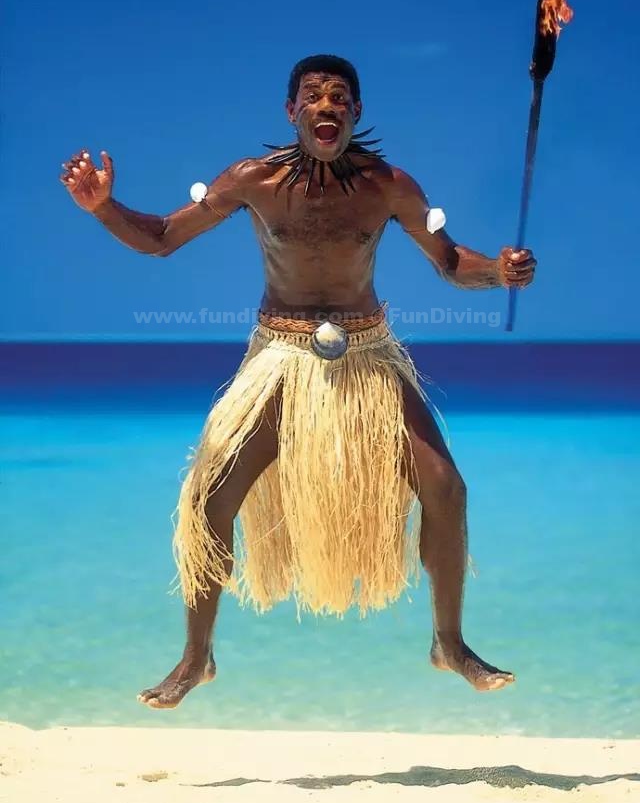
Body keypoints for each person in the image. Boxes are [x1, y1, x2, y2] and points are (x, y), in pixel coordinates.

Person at [60, 54, 536, 709]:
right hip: (280, 358)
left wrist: (498, 272)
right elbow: (163, 236)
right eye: (313, 95)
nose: (326, 105)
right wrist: (103, 207)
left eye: (339, 96)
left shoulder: (388, 186)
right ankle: (196, 657)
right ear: (292, 112)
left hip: (367, 356)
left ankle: (449, 642)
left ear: (356, 112)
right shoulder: (252, 181)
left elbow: (451, 260)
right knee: (210, 498)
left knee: (445, 486)